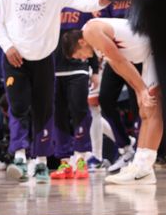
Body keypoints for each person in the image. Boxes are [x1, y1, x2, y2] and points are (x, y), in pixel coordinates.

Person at [0, 0, 108, 184]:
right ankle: (20, 157)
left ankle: (43, 163)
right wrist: (8, 47)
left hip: (45, 58)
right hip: (16, 58)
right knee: (18, 106)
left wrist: (102, 1)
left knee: (44, 109)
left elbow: (81, 4)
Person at [64, 17, 159, 185]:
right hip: (148, 54)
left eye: (79, 55)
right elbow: (119, 66)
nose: (83, 59)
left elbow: (121, 61)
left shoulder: (91, 32)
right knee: (145, 109)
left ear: (81, 42)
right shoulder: (95, 42)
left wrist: (143, 89)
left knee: (152, 108)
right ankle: (141, 165)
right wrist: (138, 89)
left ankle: (144, 168)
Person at [49, 0, 96, 180]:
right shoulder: (47, 5)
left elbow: (93, 38)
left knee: (79, 111)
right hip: (53, 69)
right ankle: (64, 161)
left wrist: (94, 69)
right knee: (58, 116)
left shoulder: (82, 5)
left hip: (78, 69)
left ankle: (81, 157)